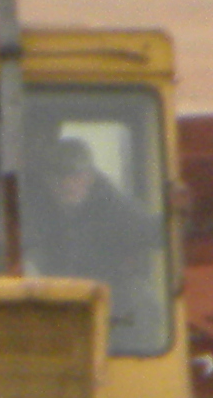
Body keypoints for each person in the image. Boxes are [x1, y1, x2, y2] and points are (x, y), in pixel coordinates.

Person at [30, 134, 159, 319]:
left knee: (142, 303)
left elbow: (155, 232)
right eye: (59, 176)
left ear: (90, 177)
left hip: (108, 304)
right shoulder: (31, 212)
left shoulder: (115, 208)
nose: (67, 184)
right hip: (50, 305)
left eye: (75, 175)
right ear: (46, 180)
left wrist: (179, 215)